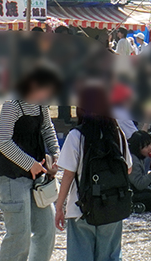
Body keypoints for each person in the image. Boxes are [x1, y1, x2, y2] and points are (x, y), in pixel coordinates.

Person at [0, 65, 63, 261]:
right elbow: (2, 141)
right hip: (12, 175)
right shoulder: (12, 105)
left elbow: (47, 128)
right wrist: (29, 163)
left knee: (46, 231)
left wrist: (56, 154)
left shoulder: (41, 104)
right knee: (19, 234)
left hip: (37, 176)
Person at [55, 84, 132, 261]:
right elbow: (128, 168)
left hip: (82, 206)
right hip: (112, 205)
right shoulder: (117, 134)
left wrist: (60, 207)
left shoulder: (76, 136)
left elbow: (68, 175)